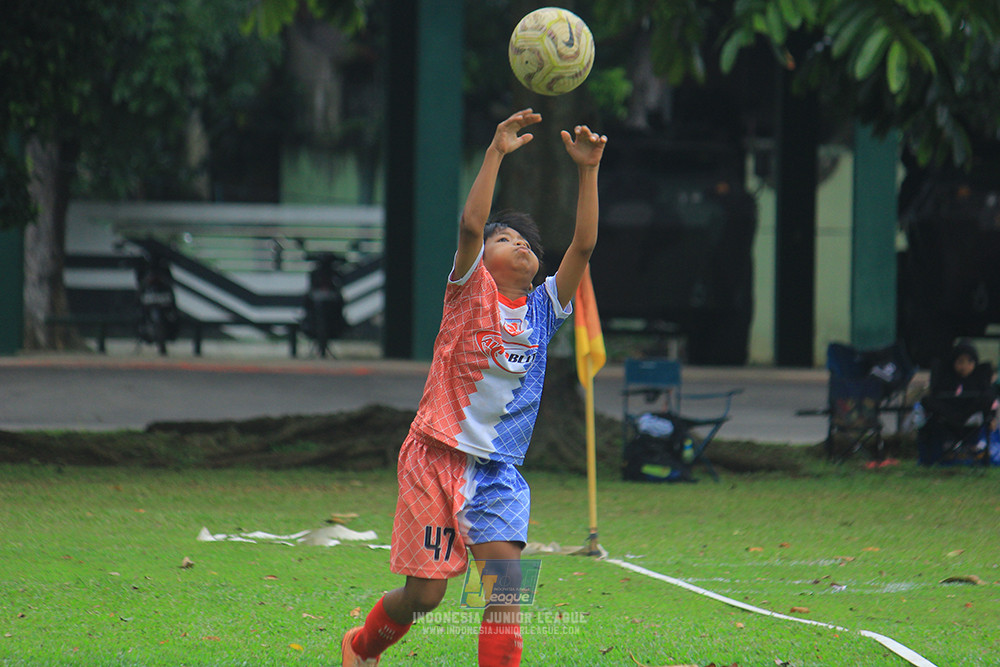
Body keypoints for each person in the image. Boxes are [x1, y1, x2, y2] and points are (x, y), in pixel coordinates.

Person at [341, 108, 607, 666]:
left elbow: (581, 247)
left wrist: (587, 172)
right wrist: (495, 152)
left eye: (528, 244)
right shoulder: (468, 291)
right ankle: (362, 647)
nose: (522, 245)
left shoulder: (543, 310)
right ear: (482, 257)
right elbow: (469, 225)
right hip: (433, 458)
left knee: (506, 592)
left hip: (499, 473)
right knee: (425, 596)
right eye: (506, 238)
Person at [917, 338, 997, 465]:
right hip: (948, 413)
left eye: (970, 362)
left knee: (987, 398)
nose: (964, 366)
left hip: (971, 413)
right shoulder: (947, 378)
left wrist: (991, 416)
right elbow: (935, 396)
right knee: (926, 401)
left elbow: (989, 396)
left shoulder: (979, 377)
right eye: (960, 362)